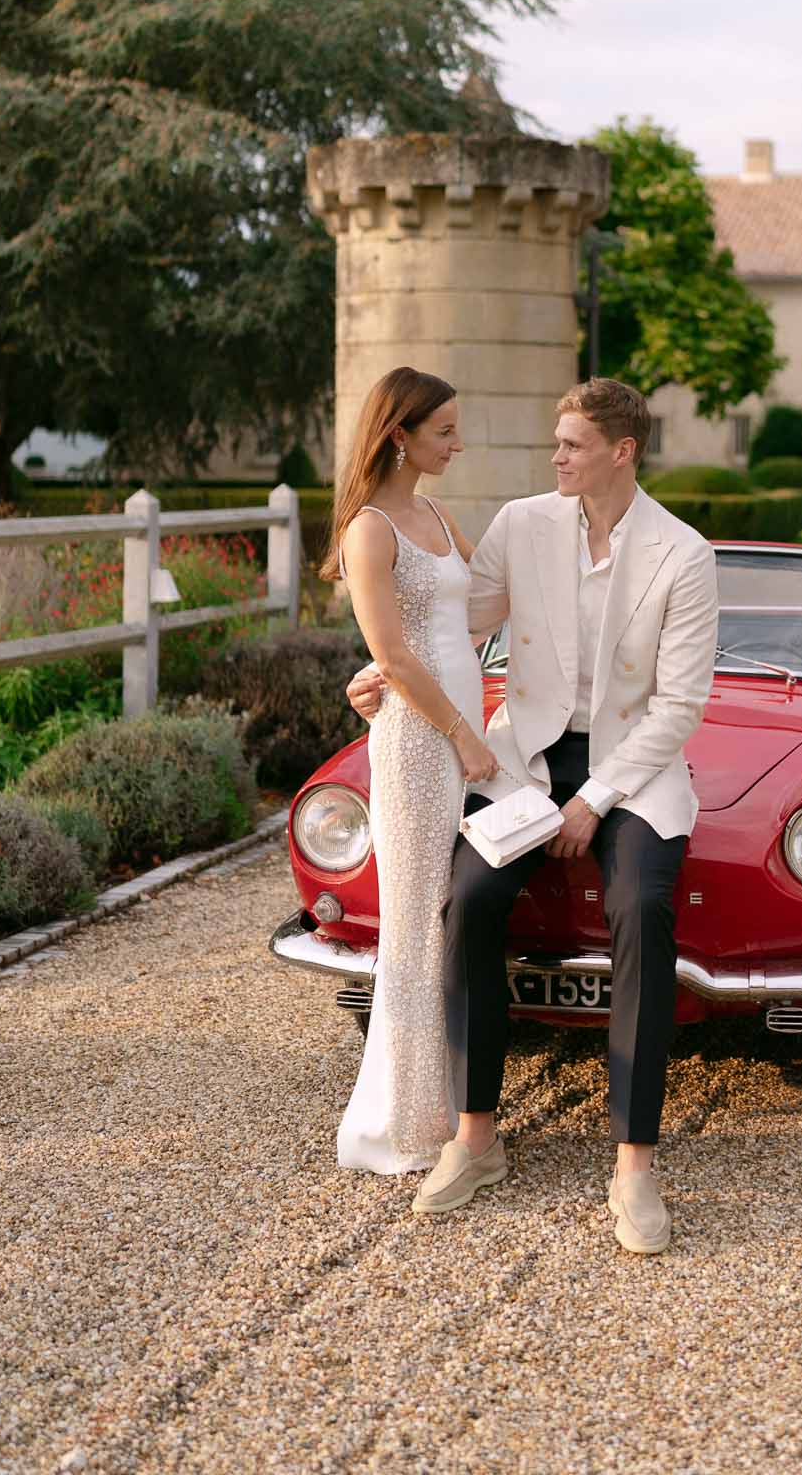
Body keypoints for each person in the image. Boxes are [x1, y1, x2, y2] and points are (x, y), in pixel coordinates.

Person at [351, 378, 719, 1253]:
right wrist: (378, 671)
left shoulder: (682, 553)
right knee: (468, 901)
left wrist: (593, 800)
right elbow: (446, 620)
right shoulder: (523, 524)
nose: (554, 457)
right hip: (524, 759)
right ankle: (475, 1137)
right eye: (556, 443)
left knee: (641, 908)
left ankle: (634, 1164)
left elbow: (679, 707)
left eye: (571, 445)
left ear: (621, 452)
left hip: (634, 769)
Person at [322, 366, 498, 1175]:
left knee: (455, 909)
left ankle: (446, 1102)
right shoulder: (369, 529)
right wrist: (462, 733)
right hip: (421, 741)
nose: (457, 445)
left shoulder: (433, 511)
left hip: (466, 728)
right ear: (400, 434)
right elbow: (391, 651)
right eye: (444, 433)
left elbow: (480, 611)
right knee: (414, 919)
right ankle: (401, 1121)